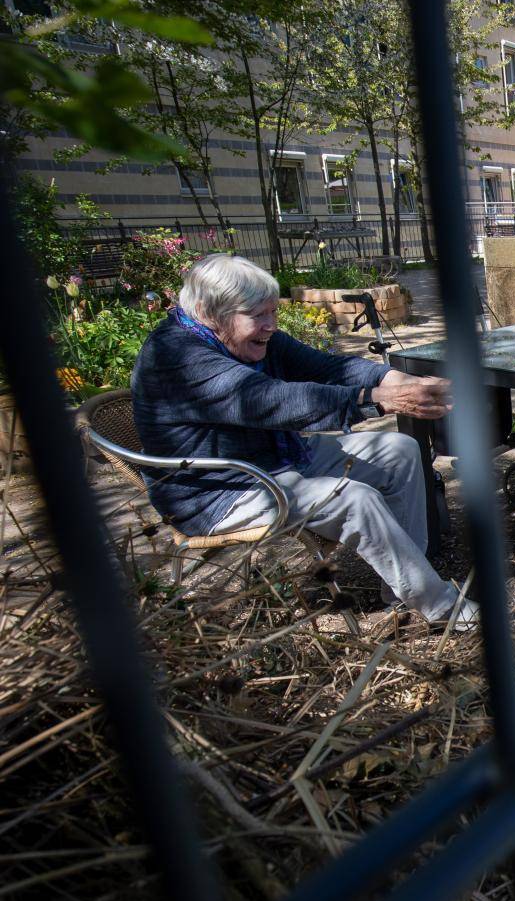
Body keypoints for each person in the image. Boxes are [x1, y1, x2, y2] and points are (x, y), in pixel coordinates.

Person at [131, 254, 478, 630]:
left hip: (271, 456)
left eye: (272, 313)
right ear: (207, 312)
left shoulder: (250, 339)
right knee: (354, 499)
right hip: (219, 489)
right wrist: (375, 399)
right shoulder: (176, 358)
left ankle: (402, 590)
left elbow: (329, 367)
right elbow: (272, 402)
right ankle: (440, 606)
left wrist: (395, 382)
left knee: (400, 451)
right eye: (257, 316)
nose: (270, 326)